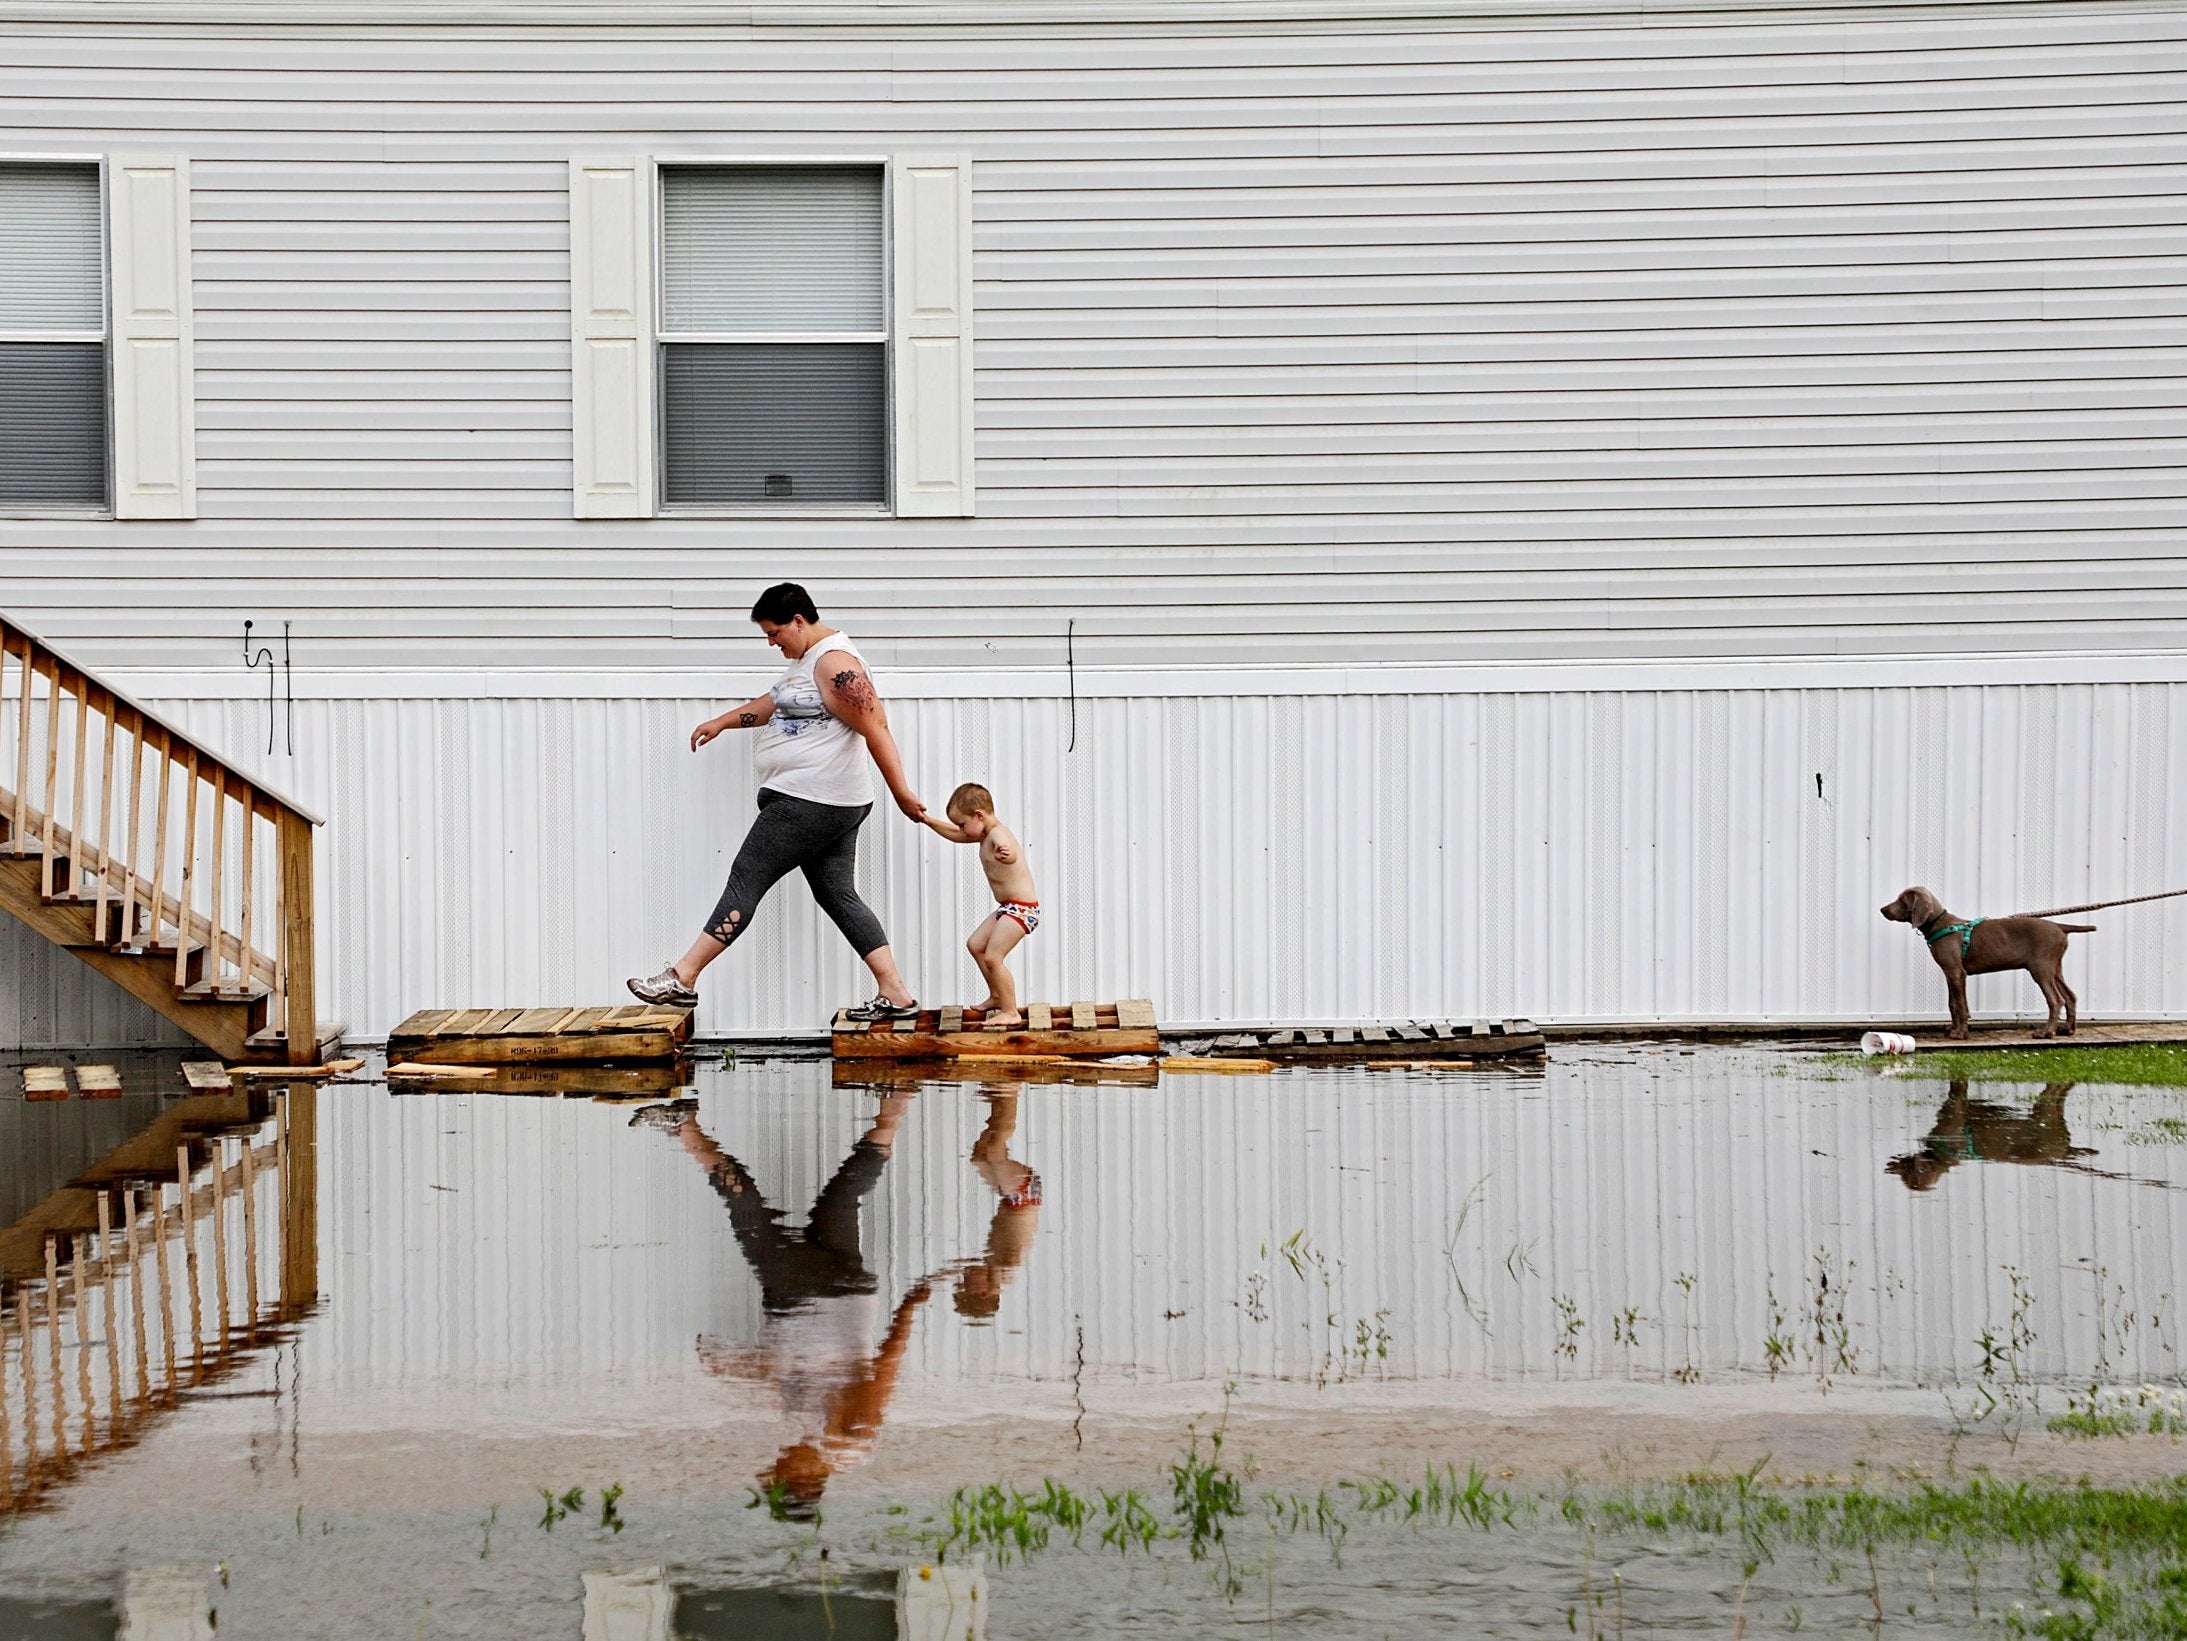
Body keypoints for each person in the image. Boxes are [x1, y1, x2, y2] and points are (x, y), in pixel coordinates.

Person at [628, 583, 922, 1022]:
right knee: (838, 894)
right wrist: (724, 722)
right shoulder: (808, 662)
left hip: (810, 799)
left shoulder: (834, 663)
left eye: (774, 632)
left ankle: (682, 977)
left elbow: (875, 725)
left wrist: (901, 792)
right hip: (834, 800)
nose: (771, 642)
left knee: (747, 877)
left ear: (799, 621)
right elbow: (776, 703)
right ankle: (895, 992)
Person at [919, 782, 1038, 1028]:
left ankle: (1010, 1010)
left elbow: (1010, 849)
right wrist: (928, 821)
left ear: (979, 815)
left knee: (994, 956)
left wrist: (1008, 854)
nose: (960, 829)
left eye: (963, 823)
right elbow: (956, 835)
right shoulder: (983, 833)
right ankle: (997, 995)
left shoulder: (997, 835)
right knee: (976, 945)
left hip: (1022, 909)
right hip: (1008, 908)